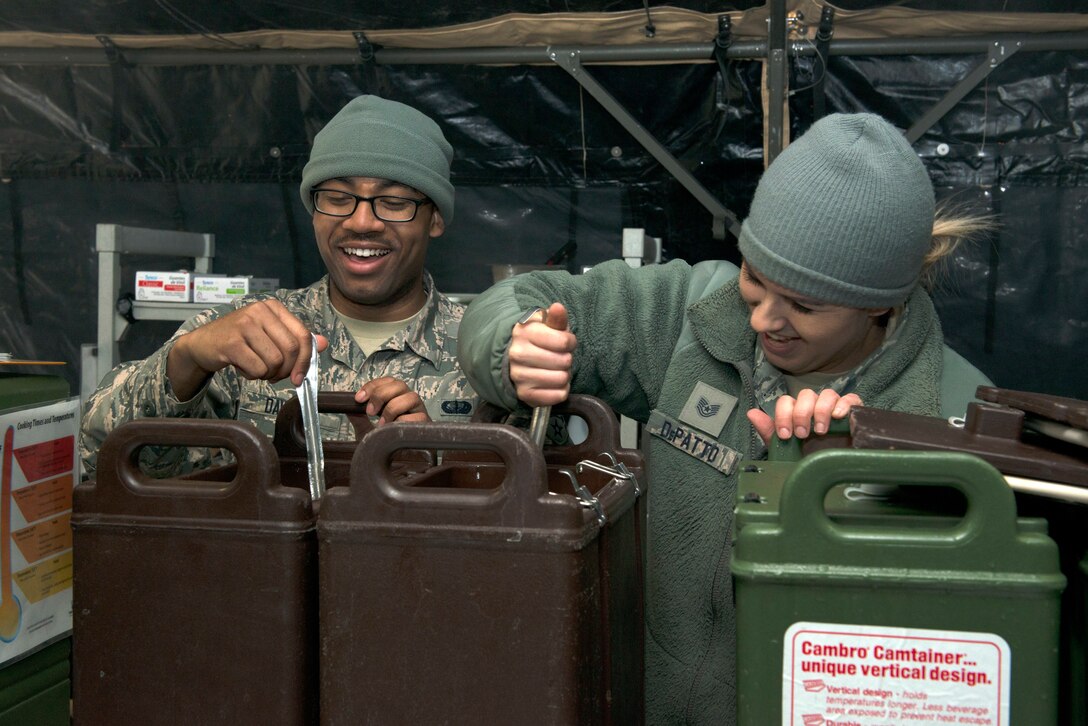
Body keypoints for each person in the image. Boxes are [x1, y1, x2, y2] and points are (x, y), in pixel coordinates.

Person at [456, 113, 993, 725]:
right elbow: (513, 303)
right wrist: (516, 347)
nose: (764, 319)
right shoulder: (693, 317)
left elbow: (958, 651)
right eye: (755, 279)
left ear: (880, 305)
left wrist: (857, 479)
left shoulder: (955, 413)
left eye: (804, 305)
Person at [80, 94, 478, 477]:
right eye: (338, 198)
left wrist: (436, 463)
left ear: (436, 219)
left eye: (394, 202)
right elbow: (101, 458)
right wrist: (186, 359)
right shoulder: (246, 331)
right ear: (313, 211)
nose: (361, 222)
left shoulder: (485, 355)